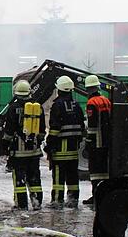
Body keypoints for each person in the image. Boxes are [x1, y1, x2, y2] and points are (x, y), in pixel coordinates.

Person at [0, 79, 44, 210]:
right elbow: (41, 130)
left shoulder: (13, 108)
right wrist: (37, 141)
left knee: (19, 178)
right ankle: (37, 202)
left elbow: (9, 130)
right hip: (34, 151)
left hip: (18, 151)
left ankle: (21, 204)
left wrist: (5, 145)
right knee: (34, 177)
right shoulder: (38, 106)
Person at [45, 76, 85, 208]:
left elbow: (55, 128)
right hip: (73, 149)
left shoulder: (57, 105)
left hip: (60, 148)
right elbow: (81, 126)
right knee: (73, 175)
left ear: (59, 89)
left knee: (58, 175)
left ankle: (57, 200)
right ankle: (73, 199)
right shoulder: (77, 105)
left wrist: (49, 143)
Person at [82, 75, 112, 207]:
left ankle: (96, 196)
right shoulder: (106, 100)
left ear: (88, 89)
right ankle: (103, 195)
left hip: (96, 142)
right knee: (104, 172)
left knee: (94, 172)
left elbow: (92, 126)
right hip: (107, 141)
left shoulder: (91, 103)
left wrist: (88, 142)